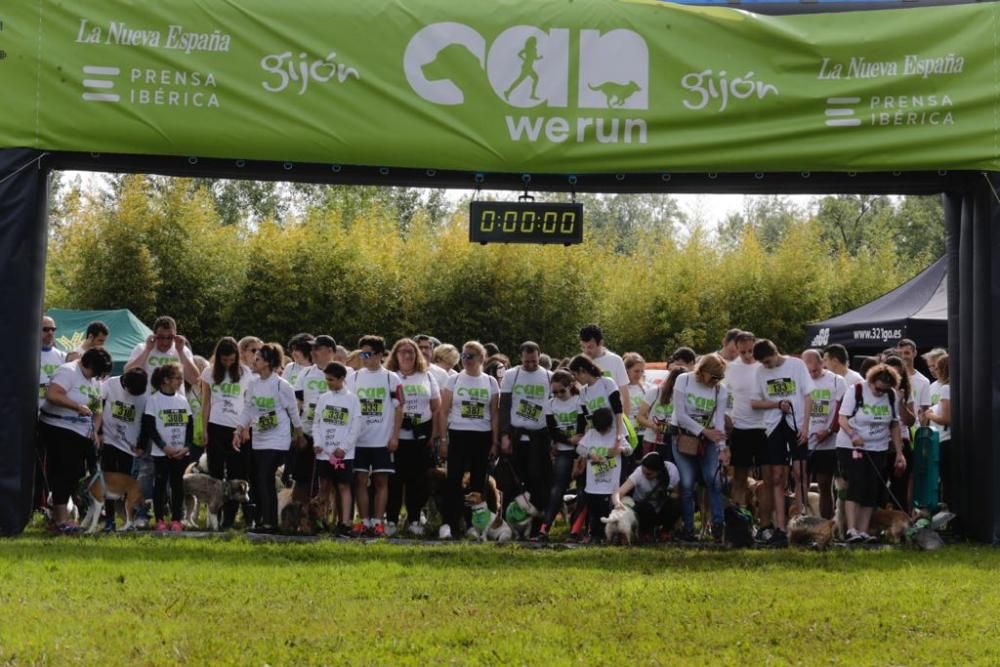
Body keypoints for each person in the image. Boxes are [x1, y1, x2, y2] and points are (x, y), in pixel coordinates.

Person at [39, 347, 111, 532]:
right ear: (88, 364)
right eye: (95, 371)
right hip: (59, 427)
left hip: (82, 431)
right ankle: (60, 520)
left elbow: (97, 410)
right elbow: (53, 395)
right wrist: (76, 406)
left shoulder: (94, 380)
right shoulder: (68, 371)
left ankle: (60, 515)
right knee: (63, 473)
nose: (95, 376)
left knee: (77, 475)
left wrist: (95, 430)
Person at [750, 339, 813, 547]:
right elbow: (755, 402)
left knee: (799, 473)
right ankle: (780, 527)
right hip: (773, 425)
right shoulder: (760, 373)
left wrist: (805, 427)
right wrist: (777, 403)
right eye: (764, 364)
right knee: (776, 476)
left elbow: (807, 396)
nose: (767, 366)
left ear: (776, 352)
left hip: (796, 424)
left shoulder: (796, 365)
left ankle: (800, 520)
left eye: (768, 361)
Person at [234, 343, 304, 531]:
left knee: (265, 476)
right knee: (258, 479)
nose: (253, 362)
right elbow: (248, 409)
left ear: (268, 362)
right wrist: (238, 429)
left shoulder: (282, 385)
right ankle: (261, 519)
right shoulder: (253, 384)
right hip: (259, 437)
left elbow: (293, 411)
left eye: (258, 359)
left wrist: (299, 434)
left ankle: (270, 522)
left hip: (277, 439)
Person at [836, 364, 906, 543]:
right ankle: (851, 529)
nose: (880, 393)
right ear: (871, 381)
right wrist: (853, 434)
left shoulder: (891, 396)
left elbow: (894, 424)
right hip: (853, 446)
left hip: (878, 447)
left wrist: (899, 452)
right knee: (856, 484)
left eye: (885, 390)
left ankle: (863, 529)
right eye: (878, 388)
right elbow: (842, 418)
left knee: (872, 488)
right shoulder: (856, 390)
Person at [437, 341, 500, 540]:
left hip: (482, 436)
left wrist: (495, 441)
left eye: (470, 356)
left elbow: (495, 414)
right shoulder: (453, 380)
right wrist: (443, 439)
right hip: (458, 433)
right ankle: (448, 523)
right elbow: (443, 411)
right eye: (463, 356)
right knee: (453, 480)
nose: (466, 360)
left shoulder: (490, 382)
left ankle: (473, 524)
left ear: (481, 359)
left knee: (477, 482)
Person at [347, 335, 403, 537]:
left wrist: (395, 436)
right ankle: (364, 521)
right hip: (360, 439)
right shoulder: (353, 377)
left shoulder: (391, 377)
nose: (364, 358)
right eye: (362, 353)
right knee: (360, 480)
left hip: (382, 438)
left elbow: (399, 408)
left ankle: (379, 521)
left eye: (368, 354)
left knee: (381, 481)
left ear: (380, 355)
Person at [385, 337, 441, 537]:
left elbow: (436, 408)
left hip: (420, 436)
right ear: (396, 355)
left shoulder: (427, 376)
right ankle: (390, 519)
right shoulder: (390, 377)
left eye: (411, 352)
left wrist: (435, 434)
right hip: (396, 438)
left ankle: (414, 519)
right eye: (403, 352)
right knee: (394, 481)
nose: (407, 355)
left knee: (418, 482)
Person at [672, 353, 729, 542]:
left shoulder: (721, 390)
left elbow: (719, 421)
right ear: (702, 371)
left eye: (720, 378)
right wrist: (704, 431)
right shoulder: (683, 380)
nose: (716, 381)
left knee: (713, 480)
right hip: (684, 438)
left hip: (709, 440)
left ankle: (718, 525)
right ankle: (689, 529)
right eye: (713, 377)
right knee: (687, 484)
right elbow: (680, 415)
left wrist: (722, 447)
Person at [201, 336, 254, 528]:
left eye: (231, 360)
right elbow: (205, 402)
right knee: (216, 474)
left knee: (237, 473)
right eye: (224, 360)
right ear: (218, 358)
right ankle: (215, 515)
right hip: (216, 426)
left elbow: (250, 403)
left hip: (237, 428)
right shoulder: (208, 373)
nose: (228, 363)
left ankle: (231, 518)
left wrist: (246, 428)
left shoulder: (246, 373)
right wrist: (204, 429)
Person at [499, 341, 552, 530]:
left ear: (539, 357)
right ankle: (508, 521)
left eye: (534, 361)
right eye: (527, 361)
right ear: (520, 358)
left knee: (537, 479)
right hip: (515, 435)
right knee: (512, 481)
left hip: (539, 437)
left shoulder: (548, 376)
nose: (530, 365)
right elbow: (504, 406)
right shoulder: (511, 375)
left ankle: (536, 524)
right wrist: (504, 435)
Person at [93, 368, 148, 531]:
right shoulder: (110, 384)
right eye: (132, 392)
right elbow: (98, 407)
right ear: (125, 383)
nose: (134, 395)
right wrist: (99, 432)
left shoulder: (144, 395)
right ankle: (109, 520)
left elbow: (146, 421)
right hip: (109, 441)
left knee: (126, 486)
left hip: (129, 446)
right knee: (107, 483)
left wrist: (141, 446)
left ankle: (128, 520)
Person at [140, 363, 193, 532]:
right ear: (166, 380)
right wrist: (164, 447)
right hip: (161, 453)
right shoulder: (153, 400)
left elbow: (190, 425)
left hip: (179, 453)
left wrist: (186, 447)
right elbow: (150, 427)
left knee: (177, 485)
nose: (180, 381)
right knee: (160, 485)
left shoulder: (182, 400)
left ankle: (177, 519)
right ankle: (160, 519)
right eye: (177, 378)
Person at [311, 362, 362, 537]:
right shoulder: (323, 398)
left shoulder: (352, 399)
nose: (328, 383)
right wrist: (317, 442)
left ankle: (345, 522)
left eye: (331, 380)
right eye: (326, 379)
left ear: (341, 379)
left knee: (343, 486)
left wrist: (343, 448)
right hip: (324, 453)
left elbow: (356, 426)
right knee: (323, 486)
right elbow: (316, 422)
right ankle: (320, 520)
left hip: (343, 454)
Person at [724, 331, 766, 516]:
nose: (748, 356)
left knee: (768, 478)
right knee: (739, 477)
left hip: (765, 427)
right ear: (736, 349)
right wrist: (726, 418)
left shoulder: (765, 365)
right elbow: (723, 397)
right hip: (741, 428)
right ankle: (740, 517)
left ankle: (766, 520)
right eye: (743, 352)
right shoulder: (730, 369)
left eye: (751, 351)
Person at [536, 369, 581, 540]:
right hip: (564, 449)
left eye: (562, 391)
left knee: (583, 490)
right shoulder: (550, 404)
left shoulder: (579, 401)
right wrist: (569, 440)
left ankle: (576, 528)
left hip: (581, 450)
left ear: (570, 386)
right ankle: (545, 527)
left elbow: (583, 426)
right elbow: (552, 430)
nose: (559, 395)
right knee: (557, 489)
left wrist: (577, 442)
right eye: (554, 392)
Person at [802, 349, 846, 519]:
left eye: (815, 370)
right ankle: (801, 519)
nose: (812, 374)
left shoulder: (836, 381)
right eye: (809, 371)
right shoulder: (800, 381)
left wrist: (829, 430)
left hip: (828, 442)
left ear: (822, 363)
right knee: (800, 483)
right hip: (805, 440)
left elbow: (842, 408)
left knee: (825, 484)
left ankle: (827, 523)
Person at [292, 335, 337, 503]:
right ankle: (298, 516)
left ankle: (323, 517)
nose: (313, 352)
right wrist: (298, 433)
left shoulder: (343, 373)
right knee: (302, 478)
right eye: (311, 348)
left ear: (330, 350)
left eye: (317, 348)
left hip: (332, 438)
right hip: (308, 433)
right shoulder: (306, 373)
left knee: (328, 480)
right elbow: (297, 403)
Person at [576, 407, 630, 543]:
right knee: (594, 512)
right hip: (593, 484)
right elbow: (579, 448)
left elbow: (630, 450)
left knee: (608, 513)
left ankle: (609, 536)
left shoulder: (616, 435)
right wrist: (590, 454)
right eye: (599, 429)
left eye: (604, 429)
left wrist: (620, 449)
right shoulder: (592, 434)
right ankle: (594, 535)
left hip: (611, 485)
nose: (602, 432)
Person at [612, 451, 680, 541]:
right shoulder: (639, 473)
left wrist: (666, 494)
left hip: (661, 510)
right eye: (643, 471)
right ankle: (645, 531)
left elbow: (677, 493)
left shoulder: (671, 470)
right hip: (644, 511)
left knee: (675, 503)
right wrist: (617, 504)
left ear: (658, 471)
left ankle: (665, 531)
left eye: (649, 474)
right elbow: (618, 493)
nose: (645, 475)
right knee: (645, 507)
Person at [125, 316, 200, 392]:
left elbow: (195, 380)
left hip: (175, 402)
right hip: (148, 401)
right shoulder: (142, 348)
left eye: (170, 337)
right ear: (154, 335)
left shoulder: (182, 350)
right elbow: (127, 373)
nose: (165, 342)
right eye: (161, 337)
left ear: (175, 335)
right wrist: (147, 350)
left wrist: (181, 352)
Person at [37, 316, 66, 510]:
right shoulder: (28, 353)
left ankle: (53, 505)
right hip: (32, 416)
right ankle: (35, 503)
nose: (50, 333)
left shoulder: (61, 356)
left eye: (53, 329)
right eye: (45, 329)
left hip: (55, 418)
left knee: (55, 463)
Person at [569, 354, 626, 447]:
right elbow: (585, 419)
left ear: (582, 370)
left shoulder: (607, 382)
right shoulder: (583, 392)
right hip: (599, 438)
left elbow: (618, 410)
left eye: (575, 375)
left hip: (616, 433)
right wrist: (582, 439)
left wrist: (619, 434)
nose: (575, 379)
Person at [579, 324, 631, 420]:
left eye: (590, 347)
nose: (586, 351)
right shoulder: (579, 363)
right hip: (593, 422)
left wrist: (623, 423)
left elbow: (625, 396)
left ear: (600, 343)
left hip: (615, 420)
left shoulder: (615, 360)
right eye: (583, 347)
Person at [637, 368, 684, 461]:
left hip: (675, 443)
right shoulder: (655, 391)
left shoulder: (685, 396)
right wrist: (653, 425)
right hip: (652, 440)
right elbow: (640, 416)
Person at [921, 353, 950, 503]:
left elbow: (946, 418)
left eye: (937, 368)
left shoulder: (946, 389)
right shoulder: (937, 387)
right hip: (940, 439)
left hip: (944, 439)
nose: (934, 371)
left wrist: (929, 414)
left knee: (943, 480)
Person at [896, 338, 931, 425]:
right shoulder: (891, 378)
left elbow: (925, 412)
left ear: (914, 353)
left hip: (913, 429)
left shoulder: (924, 381)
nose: (903, 356)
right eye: (900, 353)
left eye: (907, 353)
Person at [623, 352, 648, 452]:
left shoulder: (647, 387)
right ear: (627, 370)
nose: (639, 374)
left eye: (642, 371)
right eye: (636, 371)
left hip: (645, 433)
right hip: (629, 433)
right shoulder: (621, 389)